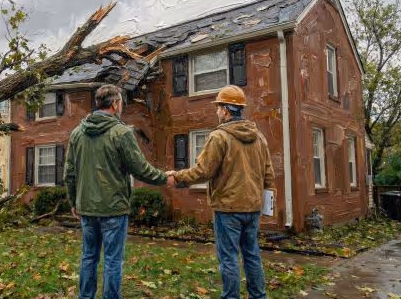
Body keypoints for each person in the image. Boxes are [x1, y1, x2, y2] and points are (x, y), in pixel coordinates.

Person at [64, 84, 174, 299]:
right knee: (113, 259)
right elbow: (140, 168)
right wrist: (164, 178)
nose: (121, 106)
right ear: (115, 104)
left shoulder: (77, 133)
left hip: (86, 207)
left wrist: (73, 201)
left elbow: (69, 172)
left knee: (89, 256)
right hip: (113, 209)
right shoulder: (121, 132)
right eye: (121, 102)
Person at [167, 85, 275, 299]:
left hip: (227, 209)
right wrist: (266, 203)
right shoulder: (259, 137)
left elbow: (203, 171)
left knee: (229, 258)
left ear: (226, 110)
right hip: (252, 208)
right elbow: (268, 174)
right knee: (252, 255)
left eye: (218, 107)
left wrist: (177, 176)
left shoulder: (219, 137)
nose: (216, 111)